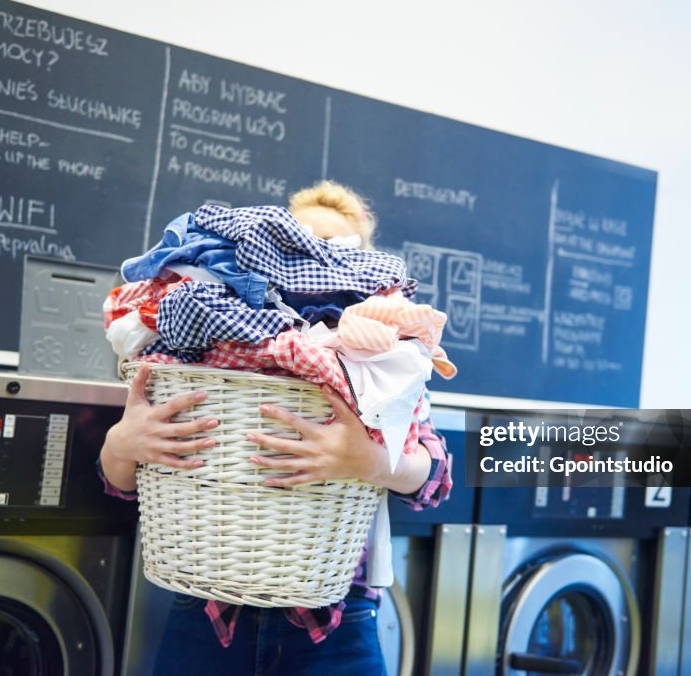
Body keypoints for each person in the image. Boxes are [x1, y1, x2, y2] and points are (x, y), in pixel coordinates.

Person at [98, 181, 451, 675]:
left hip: (337, 626)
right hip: (205, 614)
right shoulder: (197, 365)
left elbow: (435, 480)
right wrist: (120, 445)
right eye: (299, 244)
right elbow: (125, 490)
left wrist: (368, 461)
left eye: (334, 253)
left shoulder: (388, 370)